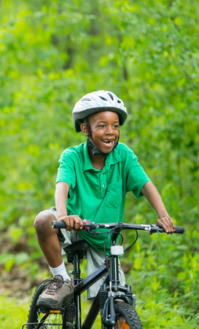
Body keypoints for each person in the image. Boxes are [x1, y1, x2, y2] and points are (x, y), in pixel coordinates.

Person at [33, 90, 177, 309]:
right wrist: (63, 216)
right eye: (101, 126)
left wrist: (163, 216)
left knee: (118, 301)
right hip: (73, 225)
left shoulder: (124, 156)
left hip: (104, 238)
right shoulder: (72, 156)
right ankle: (61, 280)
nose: (110, 132)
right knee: (43, 220)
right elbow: (61, 187)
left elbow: (147, 185)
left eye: (115, 126)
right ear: (85, 129)